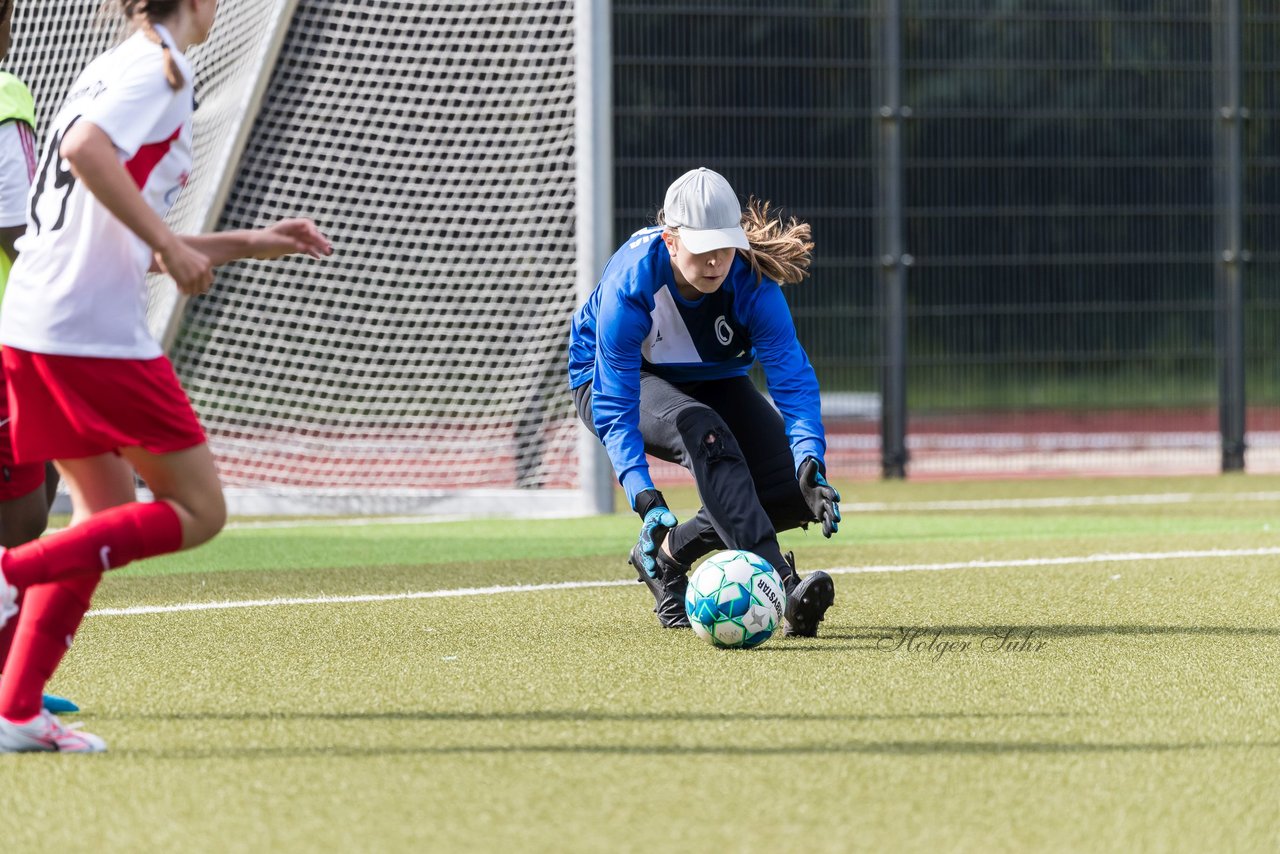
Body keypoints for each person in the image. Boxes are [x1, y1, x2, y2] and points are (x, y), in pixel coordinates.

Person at [0, 0, 332, 753]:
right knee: (201, 510)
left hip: (36, 320)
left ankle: (15, 711)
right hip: (88, 332)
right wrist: (173, 250)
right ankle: (12, 572)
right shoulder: (162, 68)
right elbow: (87, 152)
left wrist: (249, 241)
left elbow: (104, 223)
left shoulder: (106, 70)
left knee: (105, 511)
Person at [569, 167, 842, 635]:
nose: (715, 261)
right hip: (615, 384)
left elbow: (792, 381)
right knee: (704, 430)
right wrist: (644, 496)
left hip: (711, 380)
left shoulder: (753, 285)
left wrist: (808, 459)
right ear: (672, 241)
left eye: (724, 245)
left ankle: (667, 555)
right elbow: (614, 403)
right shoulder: (631, 283)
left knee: (790, 493)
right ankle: (783, 584)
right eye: (702, 249)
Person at [0, 0, 79, 715]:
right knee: (22, 514)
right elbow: (15, 225)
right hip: (6, 336)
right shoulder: (5, 95)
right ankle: (8, 683)